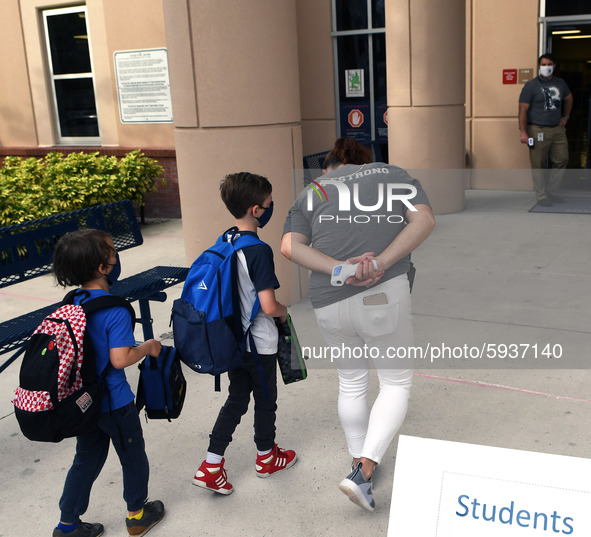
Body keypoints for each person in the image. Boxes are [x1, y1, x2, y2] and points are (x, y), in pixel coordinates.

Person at [281, 138, 435, 512]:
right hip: (383, 293)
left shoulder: (311, 191)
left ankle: (356, 458)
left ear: (329, 165)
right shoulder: (394, 176)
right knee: (395, 383)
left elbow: (288, 246)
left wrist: (341, 269)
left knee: (351, 381)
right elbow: (425, 220)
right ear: (368, 163)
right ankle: (363, 471)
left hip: (328, 300)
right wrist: (378, 263)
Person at [51, 229, 165, 537]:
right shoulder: (114, 308)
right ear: (103, 268)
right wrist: (149, 346)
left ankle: (67, 524)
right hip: (114, 402)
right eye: (113, 253)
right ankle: (138, 515)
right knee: (132, 455)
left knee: (85, 458)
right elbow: (120, 358)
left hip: (83, 402)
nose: (116, 257)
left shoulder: (73, 300)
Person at [192, 172, 297, 495]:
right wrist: (284, 311)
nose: (270, 207)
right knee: (266, 401)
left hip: (231, 341)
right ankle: (266, 458)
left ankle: (211, 463)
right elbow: (268, 305)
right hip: (259, 343)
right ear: (256, 209)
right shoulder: (259, 251)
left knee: (237, 398)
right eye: (268, 204)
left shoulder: (226, 241)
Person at [518, 53, 573, 206]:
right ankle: (541, 196)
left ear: (554, 66)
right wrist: (523, 132)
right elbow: (522, 109)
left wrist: (566, 117)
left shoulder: (560, 83)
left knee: (562, 159)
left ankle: (553, 192)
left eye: (549, 64)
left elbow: (569, 98)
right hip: (537, 129)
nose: (546, 67)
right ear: (539, 66)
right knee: (538, 163)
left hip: (557, 129)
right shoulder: (531, 86)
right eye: (543, 64)